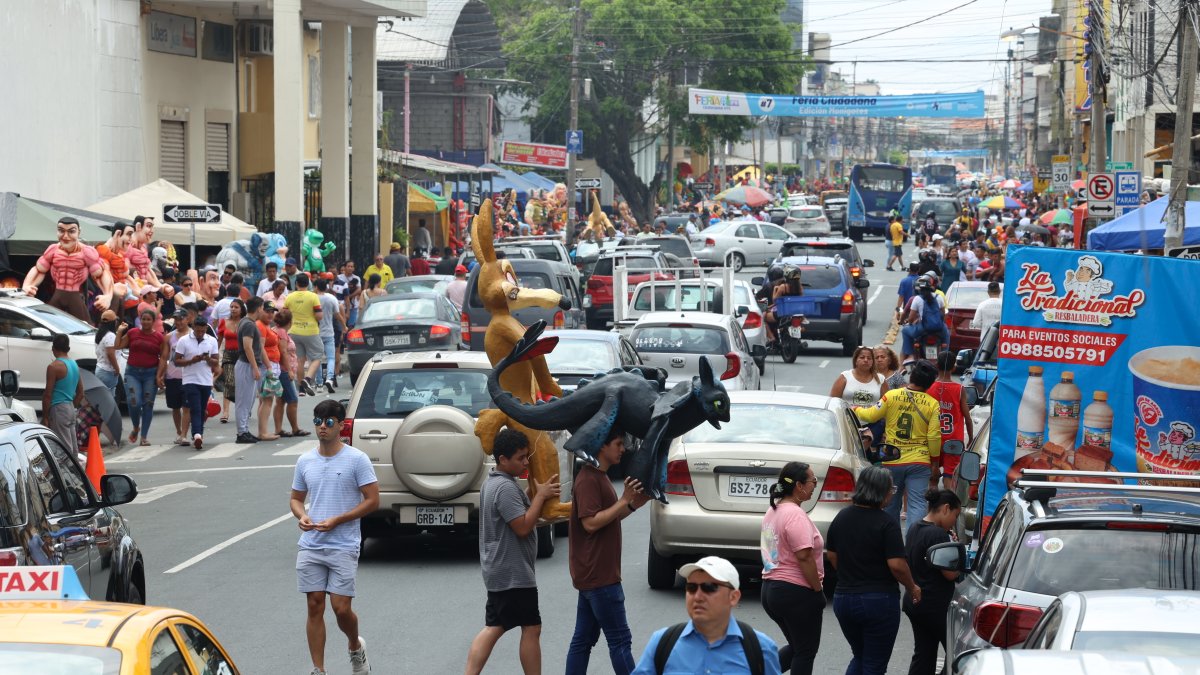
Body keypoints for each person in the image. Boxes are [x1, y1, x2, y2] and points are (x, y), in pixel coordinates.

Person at [290, 399, 379, 675]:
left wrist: (339, 519)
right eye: (318, 422)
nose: (322, 428)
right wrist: (301, 516)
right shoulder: (305, 461)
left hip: (343, 544)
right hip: (311, 545)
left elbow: (373, 500)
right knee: (314, 604)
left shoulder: (357, 459)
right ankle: (319, 669)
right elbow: (296, 498)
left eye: (329, 422)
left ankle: (354, 645)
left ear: (341, 425)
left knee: (341, 609)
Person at [465, 429, 561, 675]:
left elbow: (518, 511)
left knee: (494, 626)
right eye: (520, 457)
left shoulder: (495, 482)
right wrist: (540, 497)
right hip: (513, 572)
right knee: (531, 627)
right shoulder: (505, 488)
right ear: (502, 459)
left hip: (502, 571)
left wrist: (533, 493)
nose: (526, 462)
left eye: (527, 456)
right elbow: (523, 526)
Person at [566, 428, 650, 675]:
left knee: (582, 641)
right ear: (602, 445)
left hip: (592, 575)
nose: (623, 449)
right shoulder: (589, 479)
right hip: (600, 576)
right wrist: (624, 500)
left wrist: (634, 504)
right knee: (620, 641)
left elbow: (608, 518)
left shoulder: (597, 475)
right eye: (617, 443)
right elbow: (590, 523)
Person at [825, 466, 922, 675]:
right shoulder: (886, 523)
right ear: (880, 491)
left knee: (860, 656)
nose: (891, 494)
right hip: (878, 600)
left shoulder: (841, 517)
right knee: (874, 664)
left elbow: (832, 556)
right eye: (891, 489)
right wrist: (912, 587)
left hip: (844, 597)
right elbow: (897, 564)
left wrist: (848, 573)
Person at [633, 556, 781, 675]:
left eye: (709, 587)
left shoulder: (760, 649)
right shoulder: (662, 644)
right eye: (691, 587)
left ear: (733, 597)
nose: (697, 596)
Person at [852, 360, 943, 526]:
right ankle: (913, 546)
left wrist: (856, 409)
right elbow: (934, 437)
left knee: (890, 504)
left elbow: (870, 415)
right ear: (930, 384)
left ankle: (890, 543)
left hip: (892, 457)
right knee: (918, 504)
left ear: (911, 377)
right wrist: (935, 462)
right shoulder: (932, 404)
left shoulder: (892, 396)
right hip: (919, 460)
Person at [760, 463, 824, 675]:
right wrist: (817, 590)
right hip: (795, 591)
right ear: (799, 485)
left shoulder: (774, 510)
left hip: (771, 589)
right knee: (805, 651)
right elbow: (804, 557)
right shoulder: (794, 515)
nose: (815, 485)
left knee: (798, 647)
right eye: (812, 481)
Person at [903, 490, 962, 675]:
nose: (955, 521)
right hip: (935, 606)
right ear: (946, 509)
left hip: (916, 602)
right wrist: (959, 557)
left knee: (924, 654)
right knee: (957, 653)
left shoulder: (914, 527)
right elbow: (950, 575)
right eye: (956, 515)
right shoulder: (937, 535)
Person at [23, 217, 113, 321]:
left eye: (71, 231)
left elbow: (101, 274)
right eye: (61, 230)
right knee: (48, 325)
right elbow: (39, 269)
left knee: (85, 327)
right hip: (57, 295)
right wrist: (26, 286)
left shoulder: (87, 252)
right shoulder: (53, 250)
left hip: (75, 297)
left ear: (79, 232)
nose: (65, 236)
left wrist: (108, 295)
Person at [117, 308, 165, 446]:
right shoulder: (133, 333)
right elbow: (118, 345)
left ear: (153, 321)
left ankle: (144, 437)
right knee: (134, 402)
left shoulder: (159, 337)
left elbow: (163, 357)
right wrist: (120, 331)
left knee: (148, 404)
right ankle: (136, 427)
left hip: (151, 373)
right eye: (143, 319)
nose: (145, 322)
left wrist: (159, 376)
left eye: (148, 319)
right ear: (140, 319)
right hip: (132, 373)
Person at [173, 315, 220, 449]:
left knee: (202, 409)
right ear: (193, 328)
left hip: (206, 380)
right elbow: (177, 361)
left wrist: (207, 359)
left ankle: (199, 434)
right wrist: (191, 361)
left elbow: (216, 360)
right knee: (195, 407)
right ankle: (197, 434)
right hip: (190, 379)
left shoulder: (211, 341)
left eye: (202, 331)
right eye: (197, 331)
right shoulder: (184, 340)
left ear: (206, 328)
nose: (200, 333)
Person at [928, 351, 972, 489]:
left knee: (933, 477)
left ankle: (932, 508)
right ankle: (948, 506)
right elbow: (967, 417)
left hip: (933, 438)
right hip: (953, 441)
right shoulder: (959, 389)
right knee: (950, 477)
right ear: (954, 367)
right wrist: (970, 438)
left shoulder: (929, 388)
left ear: (937, 366)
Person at [42, 334, 84, 456]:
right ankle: (76, 473)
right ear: (68, 348)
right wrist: (71, 405)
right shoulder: (74, 364)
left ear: (53, 348)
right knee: (73, 449)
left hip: (58, 409)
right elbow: (81, 392)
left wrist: (45, 416)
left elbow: (47, 395)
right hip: (70, 408)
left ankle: (67, 474)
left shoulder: (53, 367)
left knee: (63, 450)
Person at [285, 274, 325, 397]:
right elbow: (319, 316)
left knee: (300, 360)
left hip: (293, 331)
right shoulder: (313, 296)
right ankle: (307, 379)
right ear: (308, 284)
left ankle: (301, 389)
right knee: (318, 356)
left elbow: (284, 313)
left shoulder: (289, 297)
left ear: (296, 284)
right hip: (310, 331)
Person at [272, 308, 308, 438]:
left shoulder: (277, 330)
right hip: (284, 371)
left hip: (282, 370)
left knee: (281, 401)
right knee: (293, 400)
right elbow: (283, 352)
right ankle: (295, 428)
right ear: (290, 321)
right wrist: (289, 370)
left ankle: (278, 429)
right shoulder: (281, 332)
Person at [235, 297, 266, 444]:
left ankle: (244, 430)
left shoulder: (245, 322)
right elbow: (247, 347)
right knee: (244, 400)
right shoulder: (248, 325)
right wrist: (255, 367)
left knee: (248, 400)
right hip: (246, 365)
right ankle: (242, 432)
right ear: (259, 308)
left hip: (247, 364)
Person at [900, 275, 948, 363]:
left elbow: (910, 318)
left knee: (905, 331)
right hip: (939, 328)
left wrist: (910, 322)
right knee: (946, 335)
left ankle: (910, 355)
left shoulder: (917, 299)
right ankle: (946, 356)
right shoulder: (939, 297)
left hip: (923, 329)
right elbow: (943, 314)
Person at [165, 309, 193, 446]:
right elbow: (165, 357)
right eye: (176, 319)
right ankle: (178, 431)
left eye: (181, 319)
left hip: (188, 376)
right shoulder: (169, 337)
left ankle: (184, 435)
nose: (178, 322)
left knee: (186, 407)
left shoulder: (193, 335)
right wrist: (160, 375)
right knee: (175, 407)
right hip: (172, 376)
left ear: (187, 319)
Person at [256, 302, 283, 442]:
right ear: (261, 311)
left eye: (272, 312)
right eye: (267, 311)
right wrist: (269, 367)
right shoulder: (260, 326)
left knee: (265, 399)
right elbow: (260, 348)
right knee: (267, 399)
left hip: (271, 364)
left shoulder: (265, 326)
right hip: (268, 365)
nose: (270, 314)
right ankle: (263, 432)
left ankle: (263, 430)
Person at [216, 298, 245, 424]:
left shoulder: (245, 322)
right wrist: (215, 355)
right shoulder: (224, 322)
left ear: (241, 309)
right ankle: (226, 412)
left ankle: (244, 408)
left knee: (243, 384)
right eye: (231, 307)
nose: (233, 309)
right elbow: (219, 340)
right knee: (229, 382)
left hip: (242, 355)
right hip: (228, 354)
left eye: (236, 307)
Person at [314, 279, 343, 392]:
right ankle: (330, 378)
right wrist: (344, 325)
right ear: (326, 287)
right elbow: (337, 315)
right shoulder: (332, 298)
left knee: (317, 358)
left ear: (316, 287)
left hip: (316, 333)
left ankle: (319, 383)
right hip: (329, 332)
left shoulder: (313, 298)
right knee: (330, 357)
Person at [93, 309, 121, 397]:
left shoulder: (99, 333)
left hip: (100, 368)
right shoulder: (110, 336)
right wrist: (117, 369)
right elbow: (110, 354)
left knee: (101, 399)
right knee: (109, 399)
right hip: (108, 371)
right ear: (113, 322)